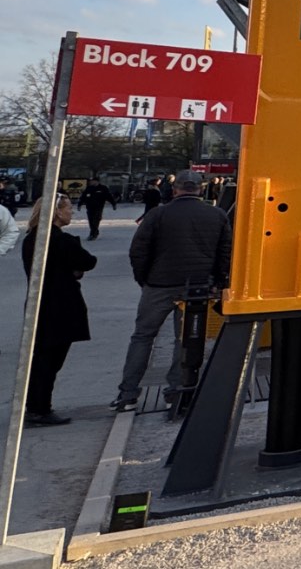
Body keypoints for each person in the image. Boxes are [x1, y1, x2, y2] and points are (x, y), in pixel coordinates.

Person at [111, 171, 232, 412]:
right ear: (201, 189)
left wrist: (144, 278)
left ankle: (128, 393)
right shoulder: (216, 215)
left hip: (159, 284)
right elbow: (225, 253)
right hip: (198, 286)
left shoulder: (158, 214)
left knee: (143, 336)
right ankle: (177, 391)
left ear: (175, 189)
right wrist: (219, 281)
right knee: (186, 339)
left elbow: (138, 251)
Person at [20, 194, 97, 426]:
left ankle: (36, 405)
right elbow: (88, 261)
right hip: (60, 306)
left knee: (42, 359)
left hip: (39, 303)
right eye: (68, 208)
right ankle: (39, 408)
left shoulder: (32, 238)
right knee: (49, 362)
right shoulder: (60, 240)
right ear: (56, 212)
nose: (71, 212)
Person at [79, 176, 116, 241]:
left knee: (95, 221)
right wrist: (79, 204)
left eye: (92, 181)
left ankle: (93, 234)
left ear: (96, 181)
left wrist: (113, 204)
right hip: (89, 208)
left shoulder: (103, 188)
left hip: (98, 208)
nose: (91, 182)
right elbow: (83, 197)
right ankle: (94, 232)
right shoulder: (89, 188)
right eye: (90, 181)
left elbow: (109, 196)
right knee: (91, 221)